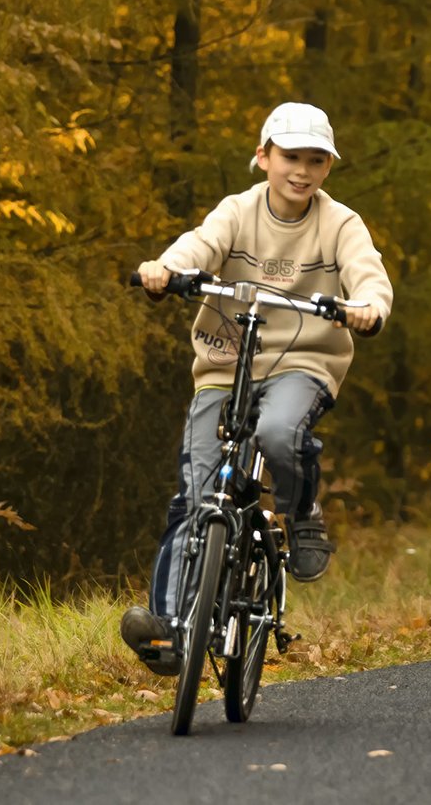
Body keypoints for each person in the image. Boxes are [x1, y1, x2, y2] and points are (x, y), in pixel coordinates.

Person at [121, 102, 394, 674]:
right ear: (264, 157)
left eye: (315, 160)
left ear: (327, 168)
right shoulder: (237, 212)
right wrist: (165, 269)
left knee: (277, 432)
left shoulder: (340, 223)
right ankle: (171, 627)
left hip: (304, 360)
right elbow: (199, 246)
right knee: (197, 489)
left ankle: (300, 513)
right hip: (227, 363)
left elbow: (366, 272)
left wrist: (368, 306)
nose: (301, 170)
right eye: (290, 157)